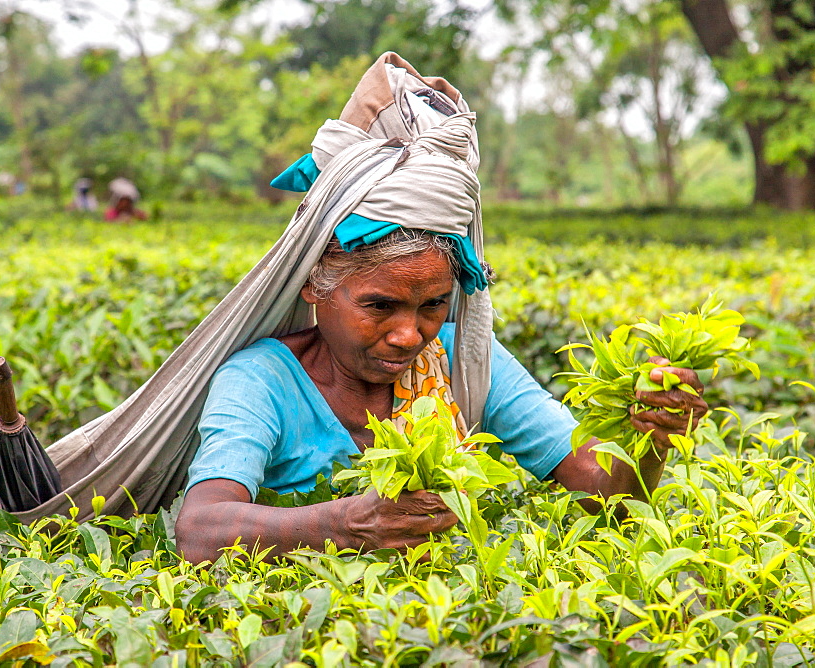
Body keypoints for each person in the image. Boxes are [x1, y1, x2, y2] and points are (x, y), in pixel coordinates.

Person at [174, 53, 708, 565]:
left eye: (433, 305)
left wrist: (652, 436)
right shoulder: (262, 379)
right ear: (316, 283)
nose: (409, 336)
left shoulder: (463, 360)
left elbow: (602, 492)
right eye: (379, 305)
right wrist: (345, 525)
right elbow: (201, 530)